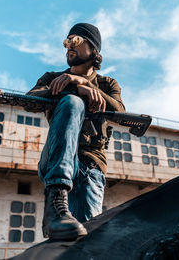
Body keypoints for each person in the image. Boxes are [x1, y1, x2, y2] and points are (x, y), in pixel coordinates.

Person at [26, 23, 125, 240]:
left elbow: (120, 112)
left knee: (87, 242)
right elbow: (30, 101)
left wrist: (85, 85)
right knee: (72, 102)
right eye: (67, 41)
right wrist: (72, 86)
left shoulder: (107, 84)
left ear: (94, 50)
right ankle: (56, 199)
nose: (69, 46)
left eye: (76, 41)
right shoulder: (51, 78)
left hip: (91, 167)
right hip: (56, 160)